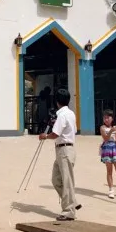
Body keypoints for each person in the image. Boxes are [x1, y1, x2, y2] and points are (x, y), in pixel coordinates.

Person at [39, 88, 79, 221]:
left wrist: (45, 136)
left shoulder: (62, 115)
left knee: (66, 181)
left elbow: (55, 133)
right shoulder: (71, 113)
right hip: (64, 149)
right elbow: (71, 130)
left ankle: (69, 211)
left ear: (57, 101)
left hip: (64, 150)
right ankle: (73, 202)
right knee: (56, 179)